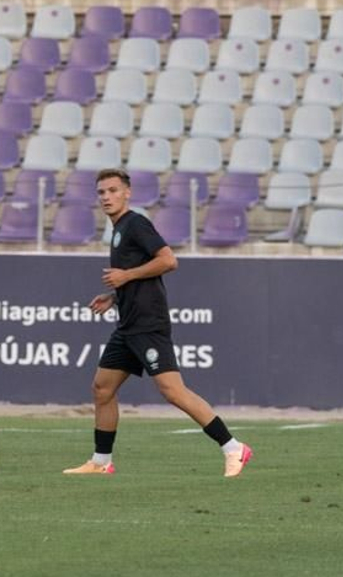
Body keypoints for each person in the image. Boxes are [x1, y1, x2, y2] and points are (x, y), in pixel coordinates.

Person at [65, 168, 252, 478]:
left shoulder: (136, 223)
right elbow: (138, 273)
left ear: (127, 193)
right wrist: (115, 294)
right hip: (127, 324)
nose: (107, 197)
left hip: (148, 324)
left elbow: (168, 260)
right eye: (101, 192)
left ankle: (233, 448)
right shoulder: (119, 229)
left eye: (113, 190)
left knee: (173, 391)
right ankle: (101, 462)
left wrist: (125, 276)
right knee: (102, 388)